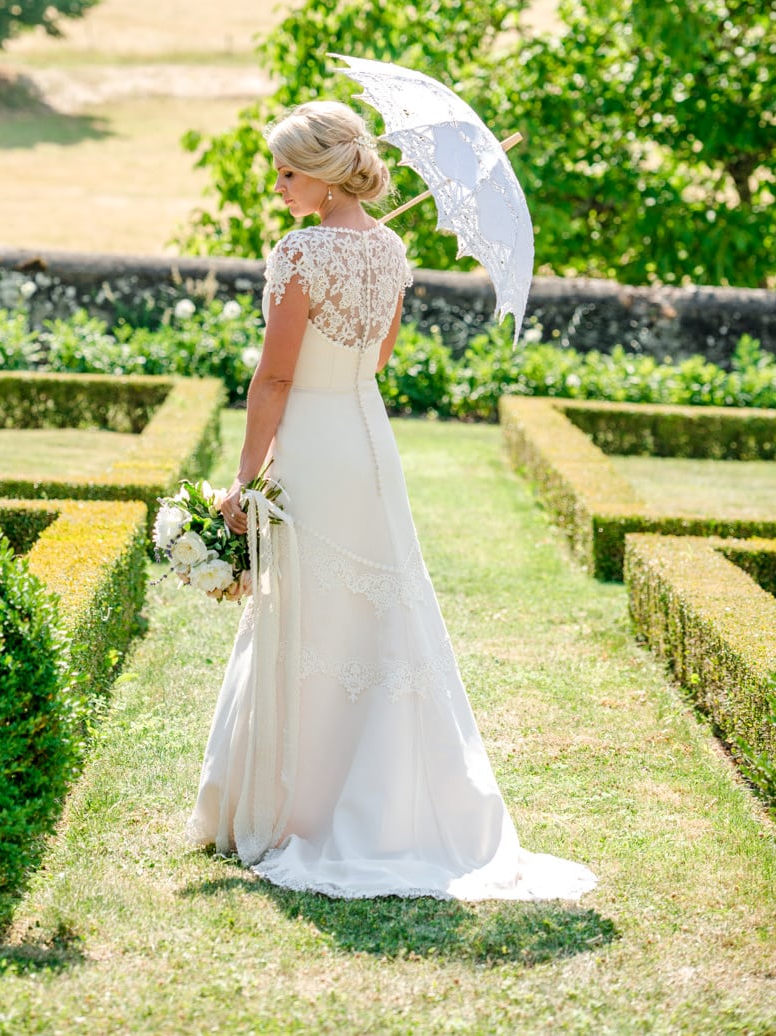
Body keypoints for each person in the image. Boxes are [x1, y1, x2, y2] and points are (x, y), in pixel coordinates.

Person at [188, 99, 596, 901]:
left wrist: (245, 473)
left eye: (287, 171)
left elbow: (273, 377)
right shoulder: (390, 246)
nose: (277, 185)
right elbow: (376, 357)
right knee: (373, 611)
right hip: (366, 439)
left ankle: (299, 808)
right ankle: (383, 801)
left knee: (309, 609)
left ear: (328, 175)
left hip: (314, 441)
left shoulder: (299, 254)